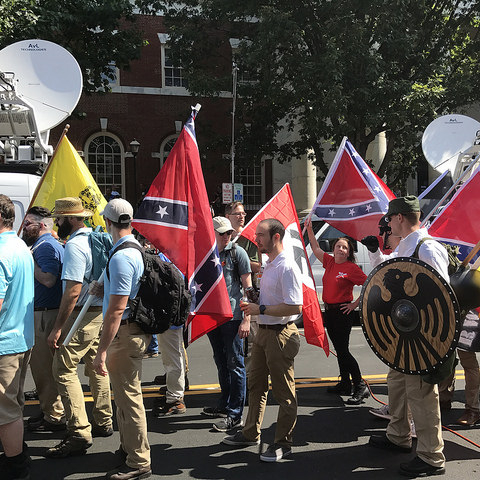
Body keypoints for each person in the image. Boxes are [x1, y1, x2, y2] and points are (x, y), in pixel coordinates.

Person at [368, 196, 449, 477]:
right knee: (398, 384)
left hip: (423, 340)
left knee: (422, 394)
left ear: (400, 217)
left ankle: (431, 456)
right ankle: (398, 435)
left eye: (389, 219)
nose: (388, 225)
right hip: (402, 336)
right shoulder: (406, 247)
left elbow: (443, 300)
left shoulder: (428, 249)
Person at [223, 218, 302, 463]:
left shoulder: (287, 266)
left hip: (280, 334)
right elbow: (269, 299)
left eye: (260, 235)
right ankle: (250, 432)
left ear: (276, 237)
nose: (256, 239)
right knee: (256, 385)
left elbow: (295, 305)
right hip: (263, 333)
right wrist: (256, 298)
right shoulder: (269, 264)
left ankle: (283, 443)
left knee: (284, 392)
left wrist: (261, 308)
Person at [46, 197, 113, 458]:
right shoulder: (96, 238)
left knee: (62, 368)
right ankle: (103, 419)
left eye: (60, 218)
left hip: (82, 314)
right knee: (97, 365)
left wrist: (57, 327)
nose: (57, 223)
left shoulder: (75, 245)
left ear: (72, 219)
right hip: (99, 312)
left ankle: (79, 431)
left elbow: (73, 291)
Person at [92, 198, 152, 480]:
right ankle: (129, 450)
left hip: (124, 333)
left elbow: (117, 309)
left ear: (108, 222)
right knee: (126, 397)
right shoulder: (133, 249)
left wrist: (101, 351)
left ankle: (139, 461)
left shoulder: (121, 257)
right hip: (132, 331)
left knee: (129, 399)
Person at [306, 218, 369, 404]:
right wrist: (309, 229)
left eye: (345, 248)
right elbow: (316, 248)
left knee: (343, 351)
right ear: (333, 249)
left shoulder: (351, 268)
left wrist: (355, 304)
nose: (341, 249)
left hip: (343, 313)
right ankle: (345, 383)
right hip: (330, 312)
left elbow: (370, 284)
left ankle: (360, 386)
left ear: (349, 253)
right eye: (338, 246)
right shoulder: (330, 262)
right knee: (340, 349)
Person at [202, 216, 252, 432]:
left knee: (235, 363)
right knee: (221, 361)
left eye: (229, 232)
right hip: (214, 316)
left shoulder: (237, 252)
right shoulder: (207, 253)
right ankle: (225, 403)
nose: (226, 236)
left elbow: (248, 288)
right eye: (222, 233)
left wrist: (247, 319)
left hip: (233, 317)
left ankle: (235, 414)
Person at [22, 206, 66, 433]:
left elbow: (48, 279)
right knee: (47, 368)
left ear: (40, 225)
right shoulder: (46, 245)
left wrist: (31, 261)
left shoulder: (46, 246)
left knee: (43, 369)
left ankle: (54, 416)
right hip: (45, 313)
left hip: (45, 314)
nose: (24, 226)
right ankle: (50, 407)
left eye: (28, 223)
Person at [0, 194, 34, 480]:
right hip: (21, 337)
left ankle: (15, 464)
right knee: (13, 403)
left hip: (4, 343)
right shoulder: (21, 246)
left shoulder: (1, 252)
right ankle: (17, 452)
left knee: (5, 409)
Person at [438, 309, 480, 426]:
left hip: (472, 312)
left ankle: (473, 409)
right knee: (445, 357)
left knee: (468, 362)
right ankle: (444, 398)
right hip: (453, 309)